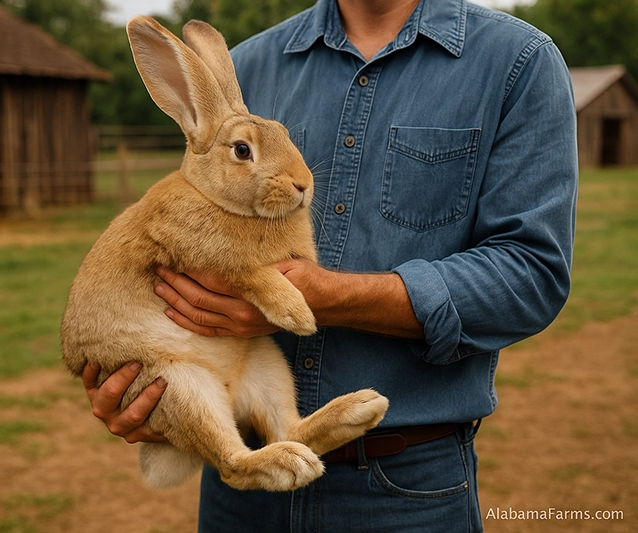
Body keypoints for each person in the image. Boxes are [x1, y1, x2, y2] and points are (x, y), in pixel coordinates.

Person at [83, 0, 578, 530]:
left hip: (407, 485)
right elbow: (183, 231)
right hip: (246, 490)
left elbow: (531, 274)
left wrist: (329, 296)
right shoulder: (250, 64)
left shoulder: (517, 62)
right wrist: (132, 381)